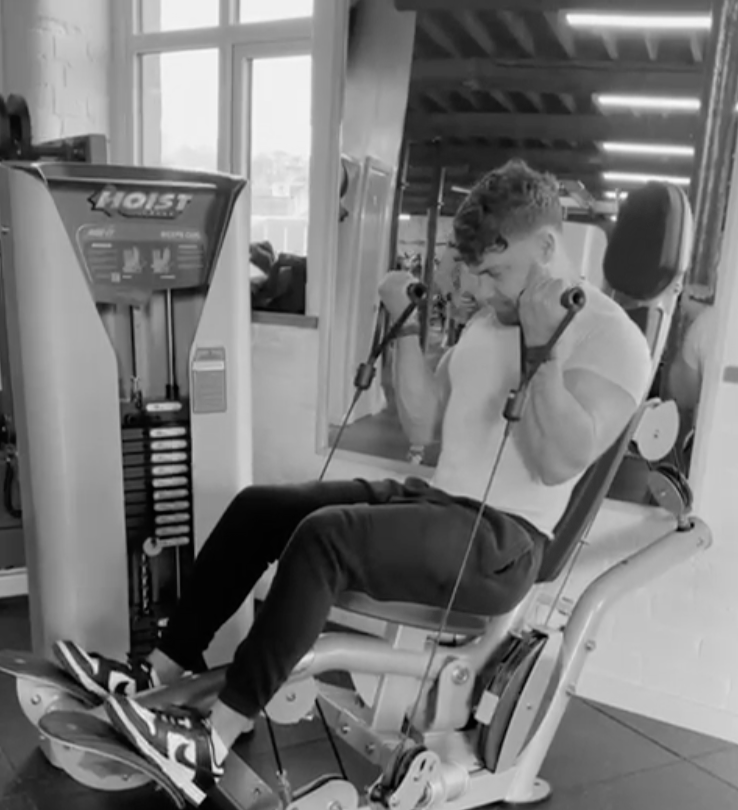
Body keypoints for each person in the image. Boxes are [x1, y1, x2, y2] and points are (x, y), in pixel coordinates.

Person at [53, 160, 652, 804]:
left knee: (325, 538)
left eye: (497, 272)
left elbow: (557, 462)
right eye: (476, 272)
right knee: (262, 506)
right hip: (438, 504)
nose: (484, 289)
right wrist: (404, 327)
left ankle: (213, 737)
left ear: (547, 247)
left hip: (504, 541)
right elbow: (421, 421)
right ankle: (159, 668)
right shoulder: (486, 323)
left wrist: (543, 354)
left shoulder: (610, 338)